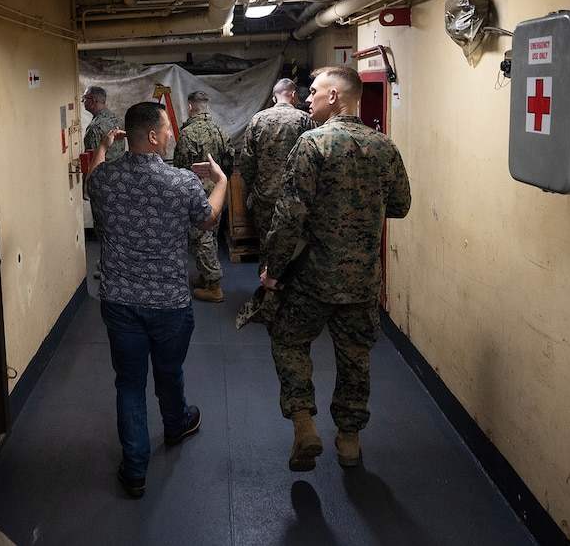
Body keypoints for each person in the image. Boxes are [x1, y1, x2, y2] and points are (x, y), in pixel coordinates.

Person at [259, 66, 411, 472]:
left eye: (314, 92)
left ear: (335, 97)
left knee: (289, 340)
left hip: (312, 278)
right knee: (355, 358)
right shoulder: (384, 147)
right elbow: (400, 206)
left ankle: (304, 423)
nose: (308, 99)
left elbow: (289, 214)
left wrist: (273, 269)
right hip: (362, 281)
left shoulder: (312, 145)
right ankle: (349, 441)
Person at [86, 101, 228, 499]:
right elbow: (206, 219)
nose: (171, 135)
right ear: (151, 136)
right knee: (168, 372)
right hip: (168, 302)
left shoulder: (104, 181)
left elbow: (90, 179)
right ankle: (176, 422)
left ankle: (134, 471)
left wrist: (102, 148)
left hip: (119, 301)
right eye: (167, 130)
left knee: (129, 385)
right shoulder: (181, 183)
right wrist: (221, 182)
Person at [237, 78, 314, 325]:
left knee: (267, 247)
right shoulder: (304, 120)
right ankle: (292, 305)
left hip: (265, 198)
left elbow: (246, 162)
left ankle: (267, 304)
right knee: (295, 249)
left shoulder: (257, 120)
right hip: (297, 200)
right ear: (293, 95)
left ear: (274, 97)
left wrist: (256, 188)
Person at [172, 90, 233, 303]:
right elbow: (229, 161)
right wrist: (219, 182)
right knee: (211, 235)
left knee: (200, 237)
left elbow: (180, 168)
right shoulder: (220, 131)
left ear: (190, 107)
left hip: (196, 192)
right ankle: (206, 277)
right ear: (206, 107)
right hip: (217, 190)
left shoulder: (188, 134)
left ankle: (214, 284)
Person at [82, 85, 125, 278]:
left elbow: (93, 159)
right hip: (119, 180)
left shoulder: (95, 127)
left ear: (93, 101)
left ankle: (110, 267)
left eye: (85, 100)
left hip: (103, 183)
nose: (84, 103)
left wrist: (87, 185)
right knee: (116, 224)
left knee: (103, 227)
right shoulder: (114, 119)